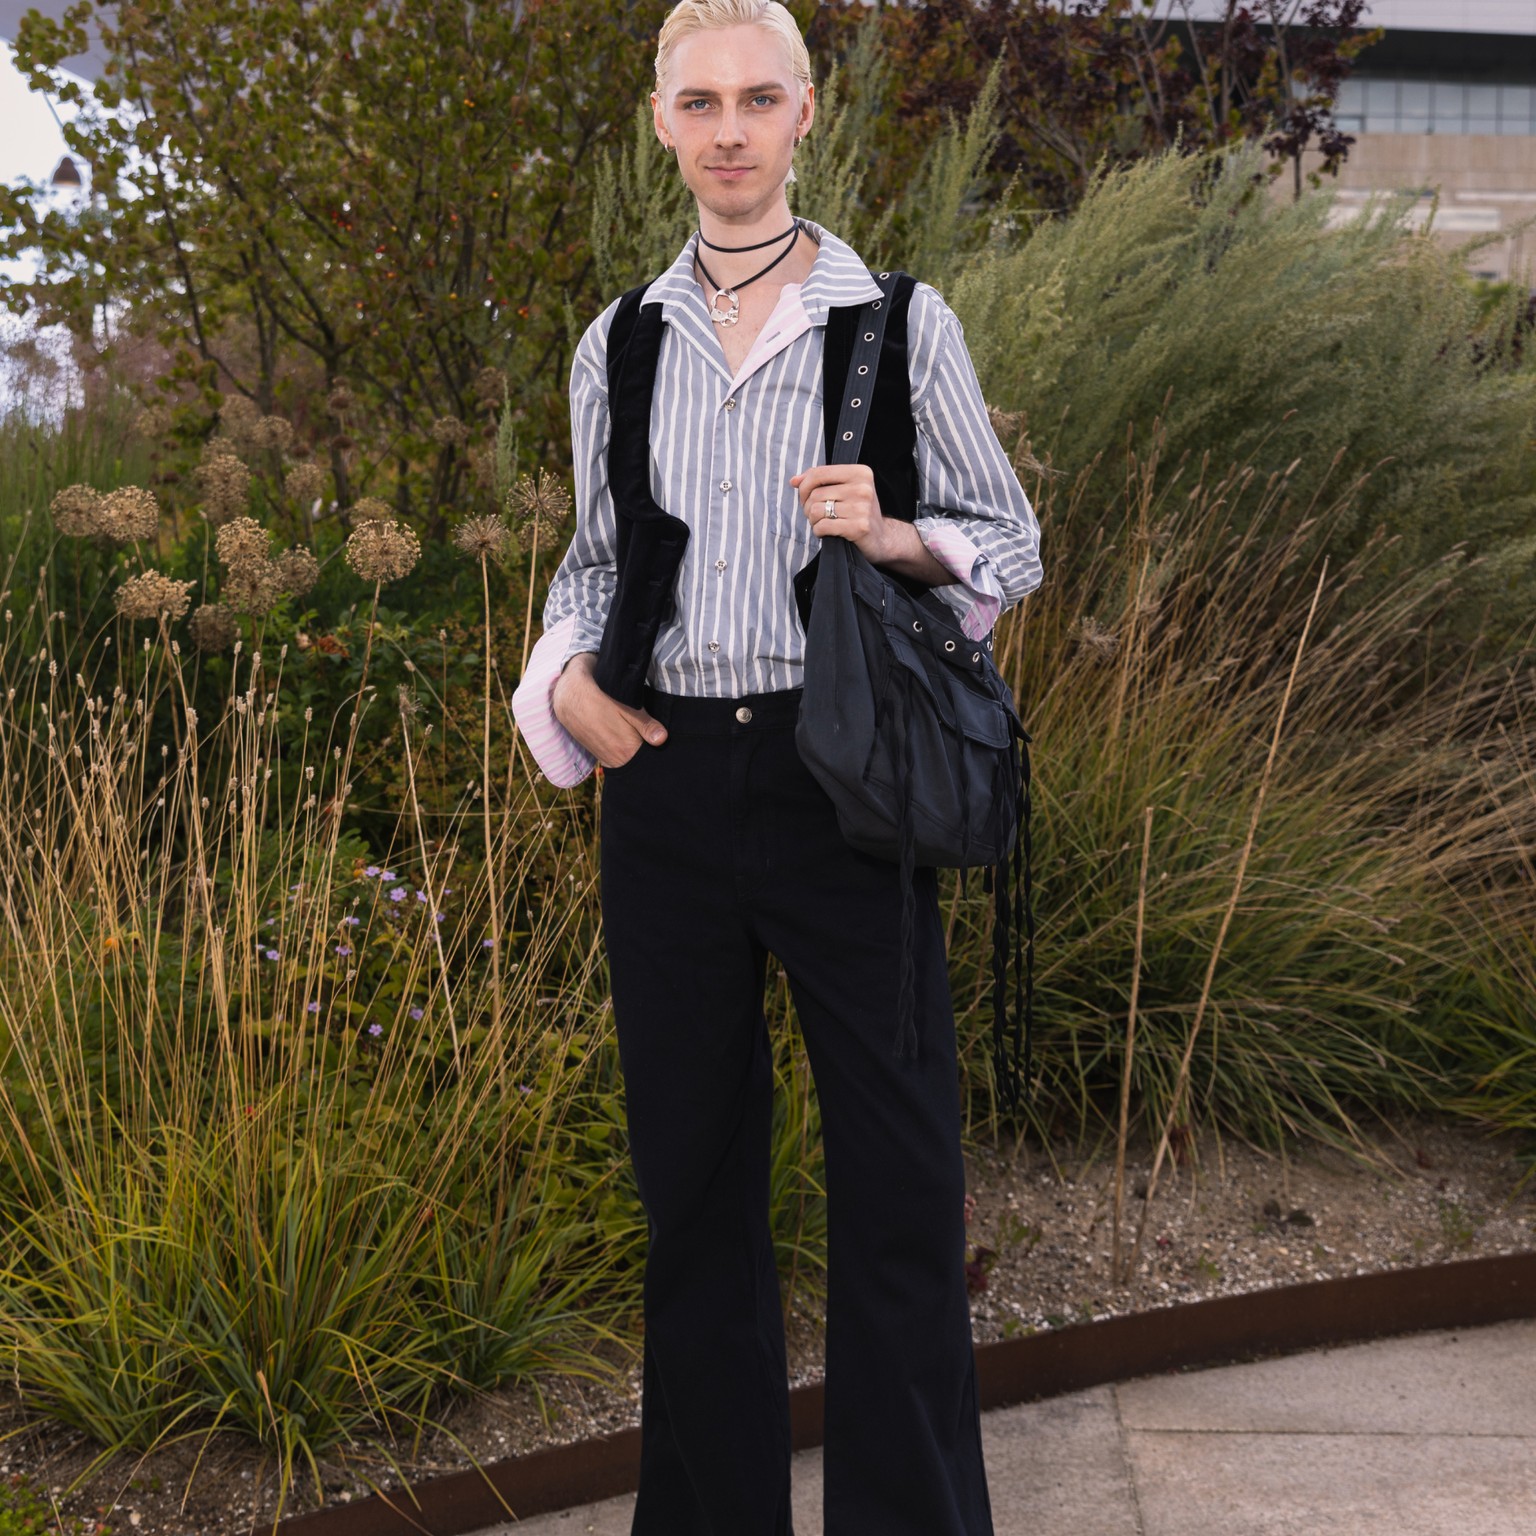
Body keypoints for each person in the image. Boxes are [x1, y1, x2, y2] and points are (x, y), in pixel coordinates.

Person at [511, 2, 1042, 1530]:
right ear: (662, 125)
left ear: (808, 114)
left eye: (758, 99)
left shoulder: (899, 323)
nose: (729, 130)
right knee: (691, 1197)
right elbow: (591, 566)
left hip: (847, 789)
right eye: (701, 103)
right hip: (668, 789)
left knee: (897, 1194)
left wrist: (894, 531)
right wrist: (566, 689)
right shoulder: (618, 341)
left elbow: (1010, 543)